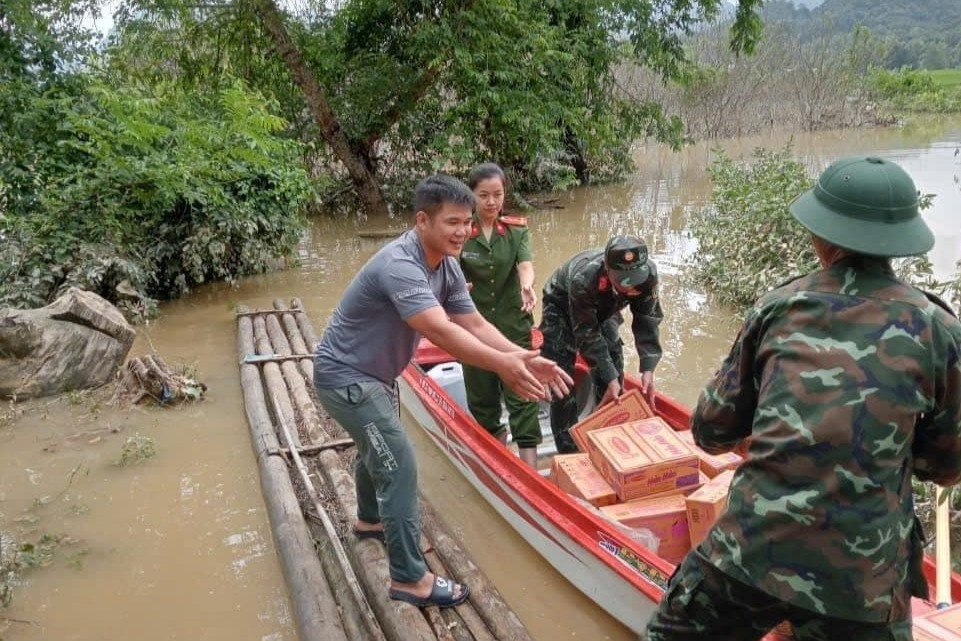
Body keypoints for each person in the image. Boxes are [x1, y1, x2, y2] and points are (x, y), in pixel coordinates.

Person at [644, 156, 961, 641]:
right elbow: (947, 464)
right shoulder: (939, 329)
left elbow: (710, 430)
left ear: (822, 238)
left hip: (751, 553)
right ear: (898, 244)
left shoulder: (779, 306)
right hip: (865, 582)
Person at [313, 174, 572, 609]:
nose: (462, 232)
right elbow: (441, 332)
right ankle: (409, 579)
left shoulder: (447, 263)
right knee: (398, 465)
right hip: (347, 378)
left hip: (375, 376)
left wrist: (521, 356)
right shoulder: (402, 265)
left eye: (467, 222)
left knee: (377, 447)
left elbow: (472, 323)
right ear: (422, 221)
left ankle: (370, 520)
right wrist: (504, 366)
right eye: (452, 222)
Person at [540, 234, 663, 453]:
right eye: (624, 280)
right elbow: (586, 333)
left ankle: (607, 443)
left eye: (635, 279)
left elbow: (647, 320)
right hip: (561, 306)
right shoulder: (584, 278)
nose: (631, 287)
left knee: (614, 370)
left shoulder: (647, 276)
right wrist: (608, 374)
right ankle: (569, 450)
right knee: (561, 379)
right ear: (607, 267)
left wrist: (648, 368)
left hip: (605, 309)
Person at [459, 163, 541, 468]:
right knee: (482, 397)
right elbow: (450, 266)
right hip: (473, 328)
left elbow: (525, 264)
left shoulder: (517, 229)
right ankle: (496, 459)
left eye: (497, 194)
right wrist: (456, 285)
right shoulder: (463, 231)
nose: (491, 202)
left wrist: (527, 286)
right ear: (472, 196)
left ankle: (529, 467)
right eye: (484, 195)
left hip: (512, 324)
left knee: (522, 392)